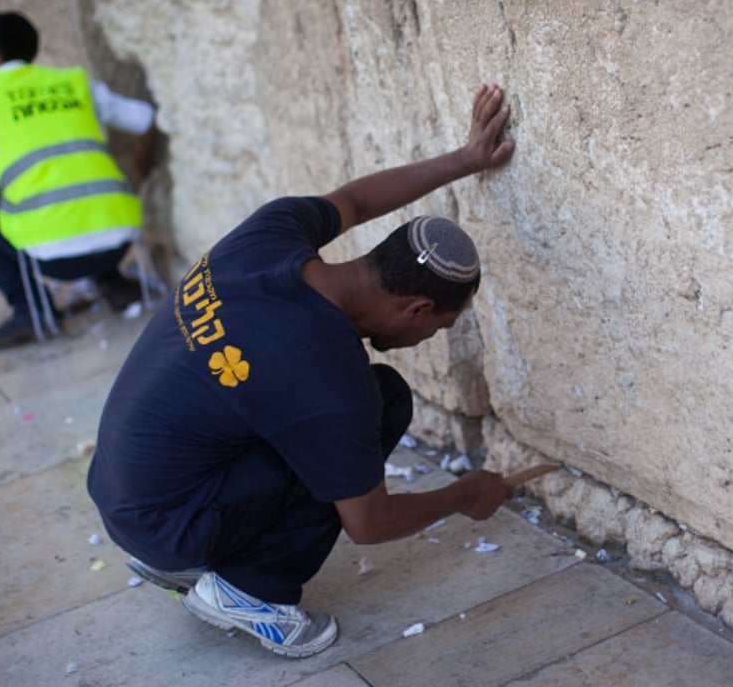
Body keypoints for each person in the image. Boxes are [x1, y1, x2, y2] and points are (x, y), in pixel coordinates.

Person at [87, 84, 517, 658]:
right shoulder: (333, 379)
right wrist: (465, 493)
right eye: (435, 327)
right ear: (415, 308)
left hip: (120, 488)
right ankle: (248, 593)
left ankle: (196, 552)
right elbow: (371, 522)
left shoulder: (274, 234)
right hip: (167, 525)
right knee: (383, 405)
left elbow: (357, 201)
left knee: (327, 421)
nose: (425, 339)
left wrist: (464, 160)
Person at [0, 10, 159, 351]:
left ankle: (28, 310)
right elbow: (146, 120)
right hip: (120, 241)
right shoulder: (72, 81)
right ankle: (112, 282)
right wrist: (139, 169)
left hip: (54, 260)